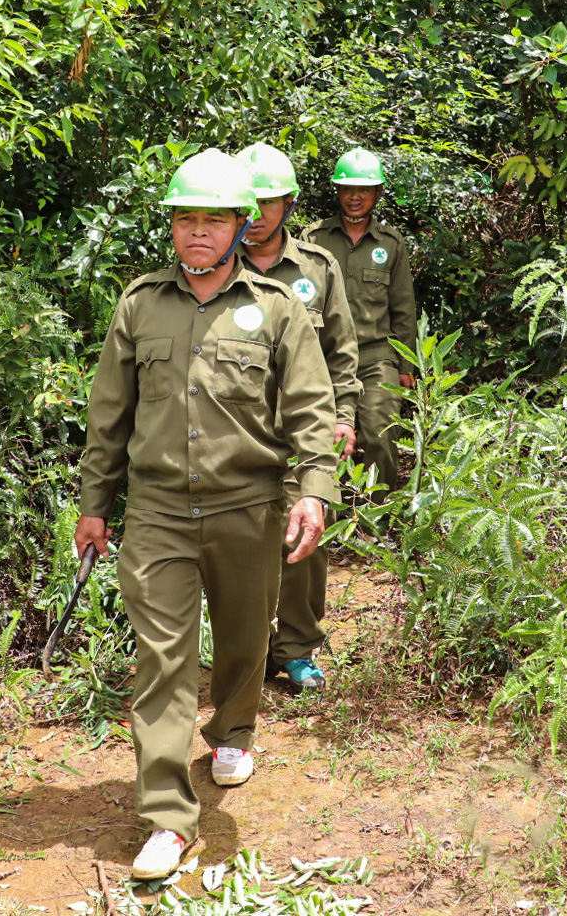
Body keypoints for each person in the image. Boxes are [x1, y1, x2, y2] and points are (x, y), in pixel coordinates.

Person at [75, 148, 339, 880]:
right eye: (185, 218)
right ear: (171, 226)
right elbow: (109, 418)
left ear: (239, 226)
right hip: (156, 511)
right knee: (162, 659)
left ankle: (234, 728)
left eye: (213, 220)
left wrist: (313, 489)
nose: (197, 232)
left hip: (248, 507)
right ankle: (168, 818)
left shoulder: (279, 310)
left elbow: (314, 409)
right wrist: (96, 505)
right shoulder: (139, 305)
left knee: (246, 638)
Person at [236, 141, 359, 693]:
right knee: (242, 546)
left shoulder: (317, 267)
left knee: (305, 541)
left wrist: (345, 415)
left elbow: (342, 350)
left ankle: (297, 647)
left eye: (269, 203)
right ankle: (249, 647)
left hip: (303, 430)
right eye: (248, 202)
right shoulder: (215, 265)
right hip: (236, 433)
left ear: (288, 204)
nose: (257, 215)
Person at [300, 147, 418, 493]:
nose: (355, 197)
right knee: (322, 436)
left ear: (377, 194)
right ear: (336, 191)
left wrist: (405, 364)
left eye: (364, 190)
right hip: (323, 356)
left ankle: (376, 515)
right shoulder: (313, 238)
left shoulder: (391, 244)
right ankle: (328, 510)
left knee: (380, 433)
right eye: (348, 188)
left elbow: (403, 307)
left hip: (375, 355)